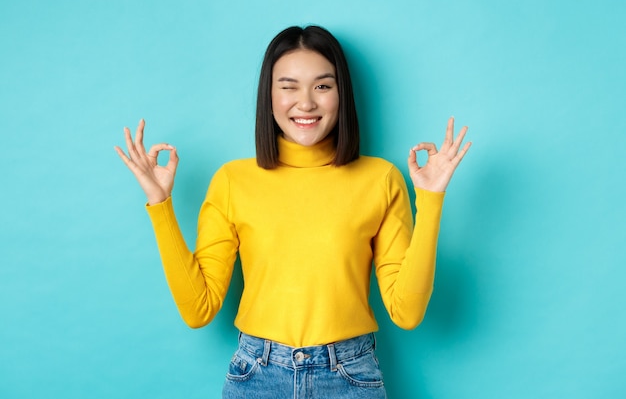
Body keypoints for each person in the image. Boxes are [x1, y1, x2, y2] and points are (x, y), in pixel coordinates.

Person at [114, 25, 471, 399]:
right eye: (288, 86)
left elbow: (407, 312)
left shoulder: (380, 178)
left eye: (322, 86)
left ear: (341, 94)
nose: (305, 103)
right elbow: (198, 309)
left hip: (350, 376)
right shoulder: (233, 180)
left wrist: (430, 198)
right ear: (268, 97)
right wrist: (159, 203)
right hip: (256, 375)